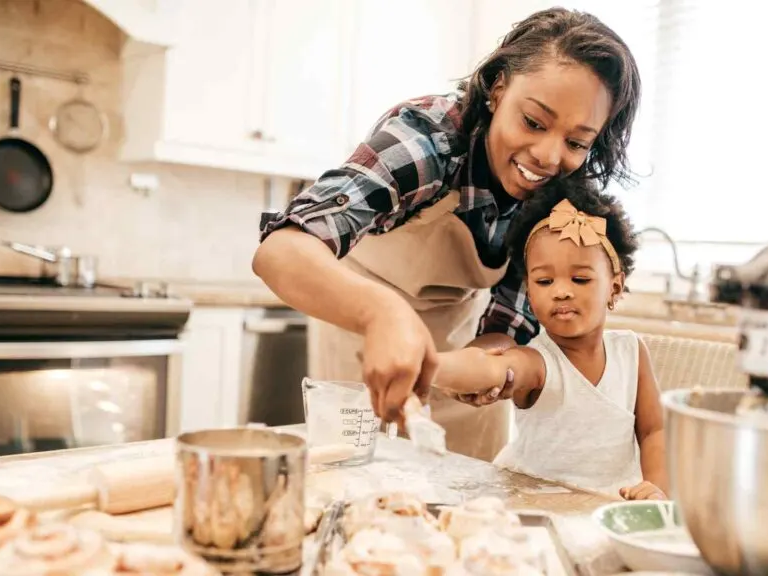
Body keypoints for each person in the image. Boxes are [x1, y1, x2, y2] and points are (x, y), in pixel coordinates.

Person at [252, 7, 641, 461]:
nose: (548, 156)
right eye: (533, 122)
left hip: (461, 337)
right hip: (358, 320)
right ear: (498, 87)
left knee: (469, 504)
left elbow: (507, 325)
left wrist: (483, 365)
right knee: (357, 487)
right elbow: (280, 251)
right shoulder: (429, 142)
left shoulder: (560, 199)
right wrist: (382, 315)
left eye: (576, 142)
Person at [430, 177, 668, 499]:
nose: (561, 291)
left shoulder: (632, 351)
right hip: (535, 507)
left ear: (614, 287)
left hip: (611, 503)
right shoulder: (537, 361)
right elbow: (490, 368)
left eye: (580, 278)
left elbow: (654, 430)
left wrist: (657, 491)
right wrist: (429, 365)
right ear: (528, 293)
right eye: (544, 281)